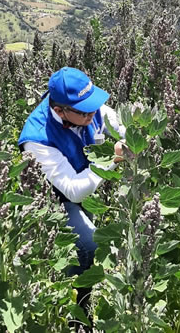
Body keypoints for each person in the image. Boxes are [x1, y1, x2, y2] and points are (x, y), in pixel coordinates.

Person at [18, 67, 125, 319]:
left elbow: (119, 126)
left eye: (94, 105)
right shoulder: (36, 138)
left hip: (87, 185)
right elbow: (73, 191)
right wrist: (113, 158)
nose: (93, 113)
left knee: (90, 242)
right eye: (85, 111)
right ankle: (74, 307)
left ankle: (82, 292)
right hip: (54, 200)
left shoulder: (86, 109)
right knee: (88, 244)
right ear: (60, 111)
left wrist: (133, 136)